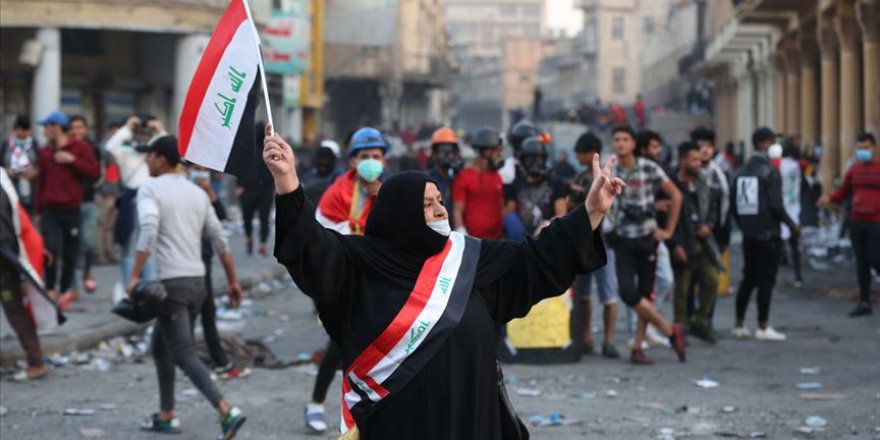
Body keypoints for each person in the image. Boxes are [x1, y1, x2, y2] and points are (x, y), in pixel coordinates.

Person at [263, 120, 623, 439]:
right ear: (399, 213)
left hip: (472, 422)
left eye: (439, 200)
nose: (439, 209)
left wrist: (590, 212)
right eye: (426, 204)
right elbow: (310, 249)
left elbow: (536, 258)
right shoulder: (360, 264)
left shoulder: (471, 259)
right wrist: (287, 181)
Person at [127, 135, 246, 438]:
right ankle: (166, 414)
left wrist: (134, 275)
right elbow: (221, 239)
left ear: (161, 159)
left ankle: (226, 411)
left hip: (172, 285)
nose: (146, 161)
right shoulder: (197, 192)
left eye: (150, 156)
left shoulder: (150, 189)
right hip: (198, 283)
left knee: (182, 353)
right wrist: (232, 281)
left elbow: (149, 228)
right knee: (160, 346)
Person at [304, 126, 388, 433]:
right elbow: (323, 234)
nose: (371, 162)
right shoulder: (337, 192)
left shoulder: (391, 192)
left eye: (376, 156)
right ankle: (315, 403)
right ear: (352, 161)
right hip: (347, 280)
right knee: (340, 345)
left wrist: (383, 204)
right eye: (364, 156)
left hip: (382, 281)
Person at [609, 125, 686, 365]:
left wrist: (669, 231)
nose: (620, 143)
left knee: (644, 293)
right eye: (617, 140)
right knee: (627, 292)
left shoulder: (648, 168)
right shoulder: (610, 171)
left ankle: (637, 348)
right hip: (623, 238)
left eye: (625, 139)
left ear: (633, 144)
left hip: (647, 238)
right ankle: (670, 330)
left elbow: (676, 196)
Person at [730, 127, 800, 341]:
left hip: (749, 234)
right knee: (766, 280)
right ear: (762, 144)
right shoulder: (770, 171)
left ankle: (740, 323)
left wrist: (743, 225)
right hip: (768, 233)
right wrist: (792, 224)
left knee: (748, 278)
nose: (774, 147)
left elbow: (734, 204)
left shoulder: (741, 171)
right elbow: (775, 205)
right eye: (771, 142)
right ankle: (763, 325)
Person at [185, 161, 244, 380]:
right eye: (195, 168)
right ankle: (188, 356)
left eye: (203, 169)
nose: (199, 174)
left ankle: (218, 359)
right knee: (188, 311)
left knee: (207, 309)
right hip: (185, 256)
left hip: (204, 256)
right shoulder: (182, 191)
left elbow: (220, 217)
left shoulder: (206, 194)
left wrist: (209, 191)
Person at [35, 110, 100, 308]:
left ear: (56, 127)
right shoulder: (46, 152)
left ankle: (64, 290)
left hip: (72, 208)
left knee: (71, 253)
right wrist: (38, 212)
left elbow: (94, 173)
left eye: (47, 127)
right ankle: (50, 288)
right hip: (49, 209)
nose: (45, 131)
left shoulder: (80, 148)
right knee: (51, 249)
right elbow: (41, 181)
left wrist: (72, 161)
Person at [818, 132, 880, 317]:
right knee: (861, 263)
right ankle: (864, 302)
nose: (863, 151)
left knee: (874, 258)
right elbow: (844, 191)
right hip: (857, 221)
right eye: (860, 148)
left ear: (874, 148)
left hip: (876, 222)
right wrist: (828, 198)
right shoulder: (854, 169)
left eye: (866, 148)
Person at [570, 132, 619, 358]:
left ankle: (607, 340)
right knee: (585, 294)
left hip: (605, 243)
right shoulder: (579, 178)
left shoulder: (609, 177)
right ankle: (587, 338)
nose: (579, 158)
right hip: (585, 244)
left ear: (592, 153)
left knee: (607, 294)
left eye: (581, 154)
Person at [1, 167, 48, 381]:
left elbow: (8, 227)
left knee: (15, 309)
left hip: (5, 260)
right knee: (15, 310)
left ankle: (36, 361)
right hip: (9, 256)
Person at [669, 142, 720, 343]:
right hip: (682, 241)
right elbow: (665, 219)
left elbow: (713, 208)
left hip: (702, 242)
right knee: (682, 289)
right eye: (694, 159)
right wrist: (674, 244)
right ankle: (680, 329)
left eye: (700, 160)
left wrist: (709, 224)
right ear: (683, 161)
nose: (698, 163)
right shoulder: (671, 184)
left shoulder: (703, 182)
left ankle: (700, 320)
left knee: (712, 280)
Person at [105, 114, 163, 283]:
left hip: (151, 201)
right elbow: (110, 147)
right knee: (128, 248)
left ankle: (149, 285)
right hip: (130, 202)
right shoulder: (126, 151)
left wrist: (159, 129)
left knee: (149, 246)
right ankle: (132, 286)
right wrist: (127, 128)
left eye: (147, 134)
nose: (143, 137)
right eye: (139, 133)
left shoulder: (156, 156)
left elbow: (172, 149)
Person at [635, 130, 675, 347]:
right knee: (636, 288)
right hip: (633, 236)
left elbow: (675, 196)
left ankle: (648, 324)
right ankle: (639, 333)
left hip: (654, 235)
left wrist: (669, 231)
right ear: (642, 149)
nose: (658, 151)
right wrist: (654, 206)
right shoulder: (633, 171)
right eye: (653, 147)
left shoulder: (658, 171)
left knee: (663, 281)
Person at [505, 137, 569, 239]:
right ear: (523, 160)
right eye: (530, 159)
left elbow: (561, 215)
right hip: (523, 239)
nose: (534, 163)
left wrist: (547, 226)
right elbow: (510, 214)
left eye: (538, 159)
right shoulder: (516, 182)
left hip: (546, 238)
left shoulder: (555, 182)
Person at [69, 115, 102, 293]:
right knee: (71, 246)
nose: (76, 132)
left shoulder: (92, 148)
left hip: (88, 201)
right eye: (73, 128)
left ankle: (87, 272)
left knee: (89, 243)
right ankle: (72, 286)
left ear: (86, 129)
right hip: (70, 203)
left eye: (80, 127)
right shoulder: (65, 147)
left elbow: (96, 174)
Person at [452, 128, 505, 239]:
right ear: (487, 151)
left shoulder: (497, 177)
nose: (500, 155)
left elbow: (501, 207)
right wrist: (463, 235)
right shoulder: (464, 177)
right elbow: (457, 211)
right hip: (474, 243)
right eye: (497, 150)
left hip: (497, 242)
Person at [236, 122, 275, 257]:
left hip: (263, 188)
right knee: (251, 217)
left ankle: (261, 242)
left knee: (262, 217)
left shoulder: (269, 148)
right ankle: (251, 239)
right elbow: (240, 167)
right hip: (251, 188)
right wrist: (240, 185)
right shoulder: (247, 150)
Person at [777, 144, 804, 287]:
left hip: (780, 207)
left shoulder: (777, 165)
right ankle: (798, 276)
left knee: (778, 241)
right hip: (793, 208)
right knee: (794, 244)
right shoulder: (795, 166)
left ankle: (781, 260)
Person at [1, 116, 39, 215]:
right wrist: (6, 172)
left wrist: (34, 172)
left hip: (29, 190)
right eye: (19, 131)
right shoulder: (6, 145)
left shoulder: (34, 145)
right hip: (9, 188)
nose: (21, 134)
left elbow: (41, 165)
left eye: (24, 131)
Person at [427, 127, 463, 226]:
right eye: (442, 151)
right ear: (434, 154)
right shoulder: (427, 180)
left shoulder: (458, 179)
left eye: (450, 151)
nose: (447, 155)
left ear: (456, 154)